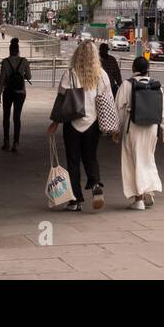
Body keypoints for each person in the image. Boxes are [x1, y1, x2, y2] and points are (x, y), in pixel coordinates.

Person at [47, 40, 115, 212]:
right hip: (93, 123)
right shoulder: (101, 74)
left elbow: (61, 100)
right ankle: (95, 184)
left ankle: (75, 200)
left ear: (77, 55)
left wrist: (55, 122)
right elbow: (107, 100)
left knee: (73, 161)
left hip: (72, 123)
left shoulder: (69, 74)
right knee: (90, 157)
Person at [112, 56, 164, 209]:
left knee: (132, 162)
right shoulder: (156, 85)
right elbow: (162, 109)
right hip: (152, 128)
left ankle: (138, 199)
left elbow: (118, 108)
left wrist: (116, 130)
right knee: (147, 159)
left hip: (133, 128)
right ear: (147, 69)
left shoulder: (127, 85)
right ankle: (149, 190)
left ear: (133, 69)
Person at [0, 37, 31, 153]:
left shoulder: (5, 62)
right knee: (17, 117)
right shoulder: (24, 61)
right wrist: (23, 75)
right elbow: (29, 76)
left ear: (10, 50)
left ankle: (6, 142)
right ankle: (16, 143)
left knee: (6, 117)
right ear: (18, 50)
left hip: (8, 92)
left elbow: (2, 80)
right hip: (20, 93)